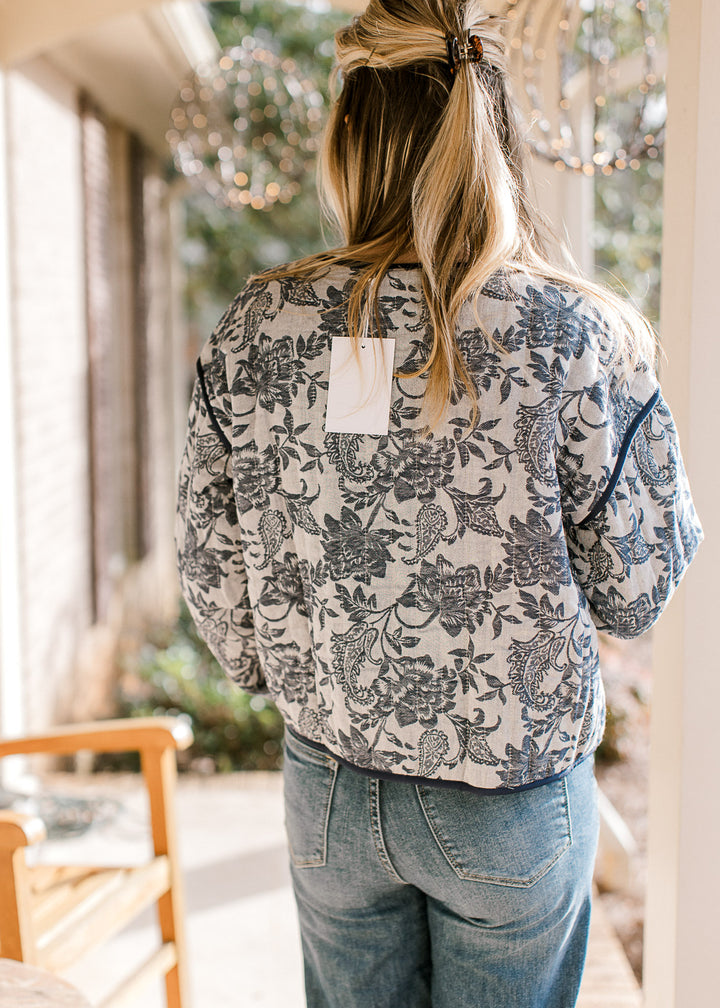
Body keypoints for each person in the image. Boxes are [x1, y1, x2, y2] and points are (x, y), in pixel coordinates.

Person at [175, 1, 702, 1005]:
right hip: (509, 799)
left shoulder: (260, 326)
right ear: (493, 137)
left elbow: (216, 579)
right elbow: (638, 586)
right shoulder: (571, 332)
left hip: (329, 782)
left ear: (347, 141)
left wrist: (297, 661)